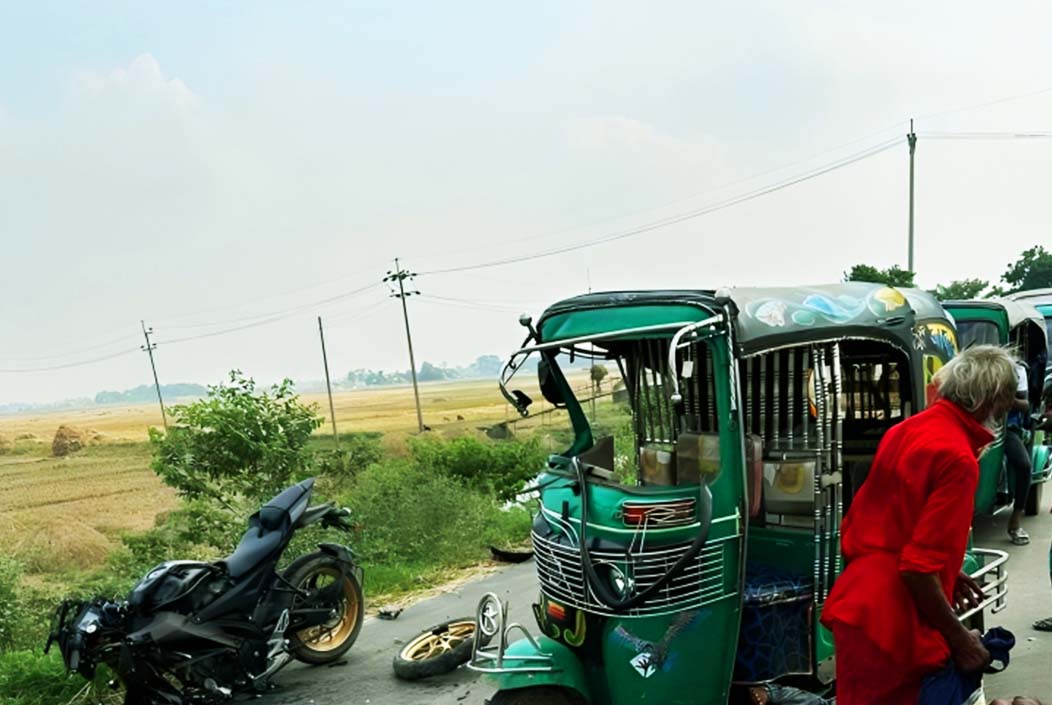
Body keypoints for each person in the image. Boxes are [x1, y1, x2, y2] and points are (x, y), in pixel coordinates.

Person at [821, 345, 1020, 705]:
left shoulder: (906, 430)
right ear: (989, 401)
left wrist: (947, 568)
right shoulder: (958, 458)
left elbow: (878, 523)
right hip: (892, 620)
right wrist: (961, 639)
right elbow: (915, 569)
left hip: (860, 606)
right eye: (1004, 401)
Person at [1005, 358, 1032, 545]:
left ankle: (1015, 520)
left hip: (1006, 428)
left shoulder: (1017, 369)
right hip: (977, 423)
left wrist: (1005, 399)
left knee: (1024, 465)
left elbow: (1025, 404)